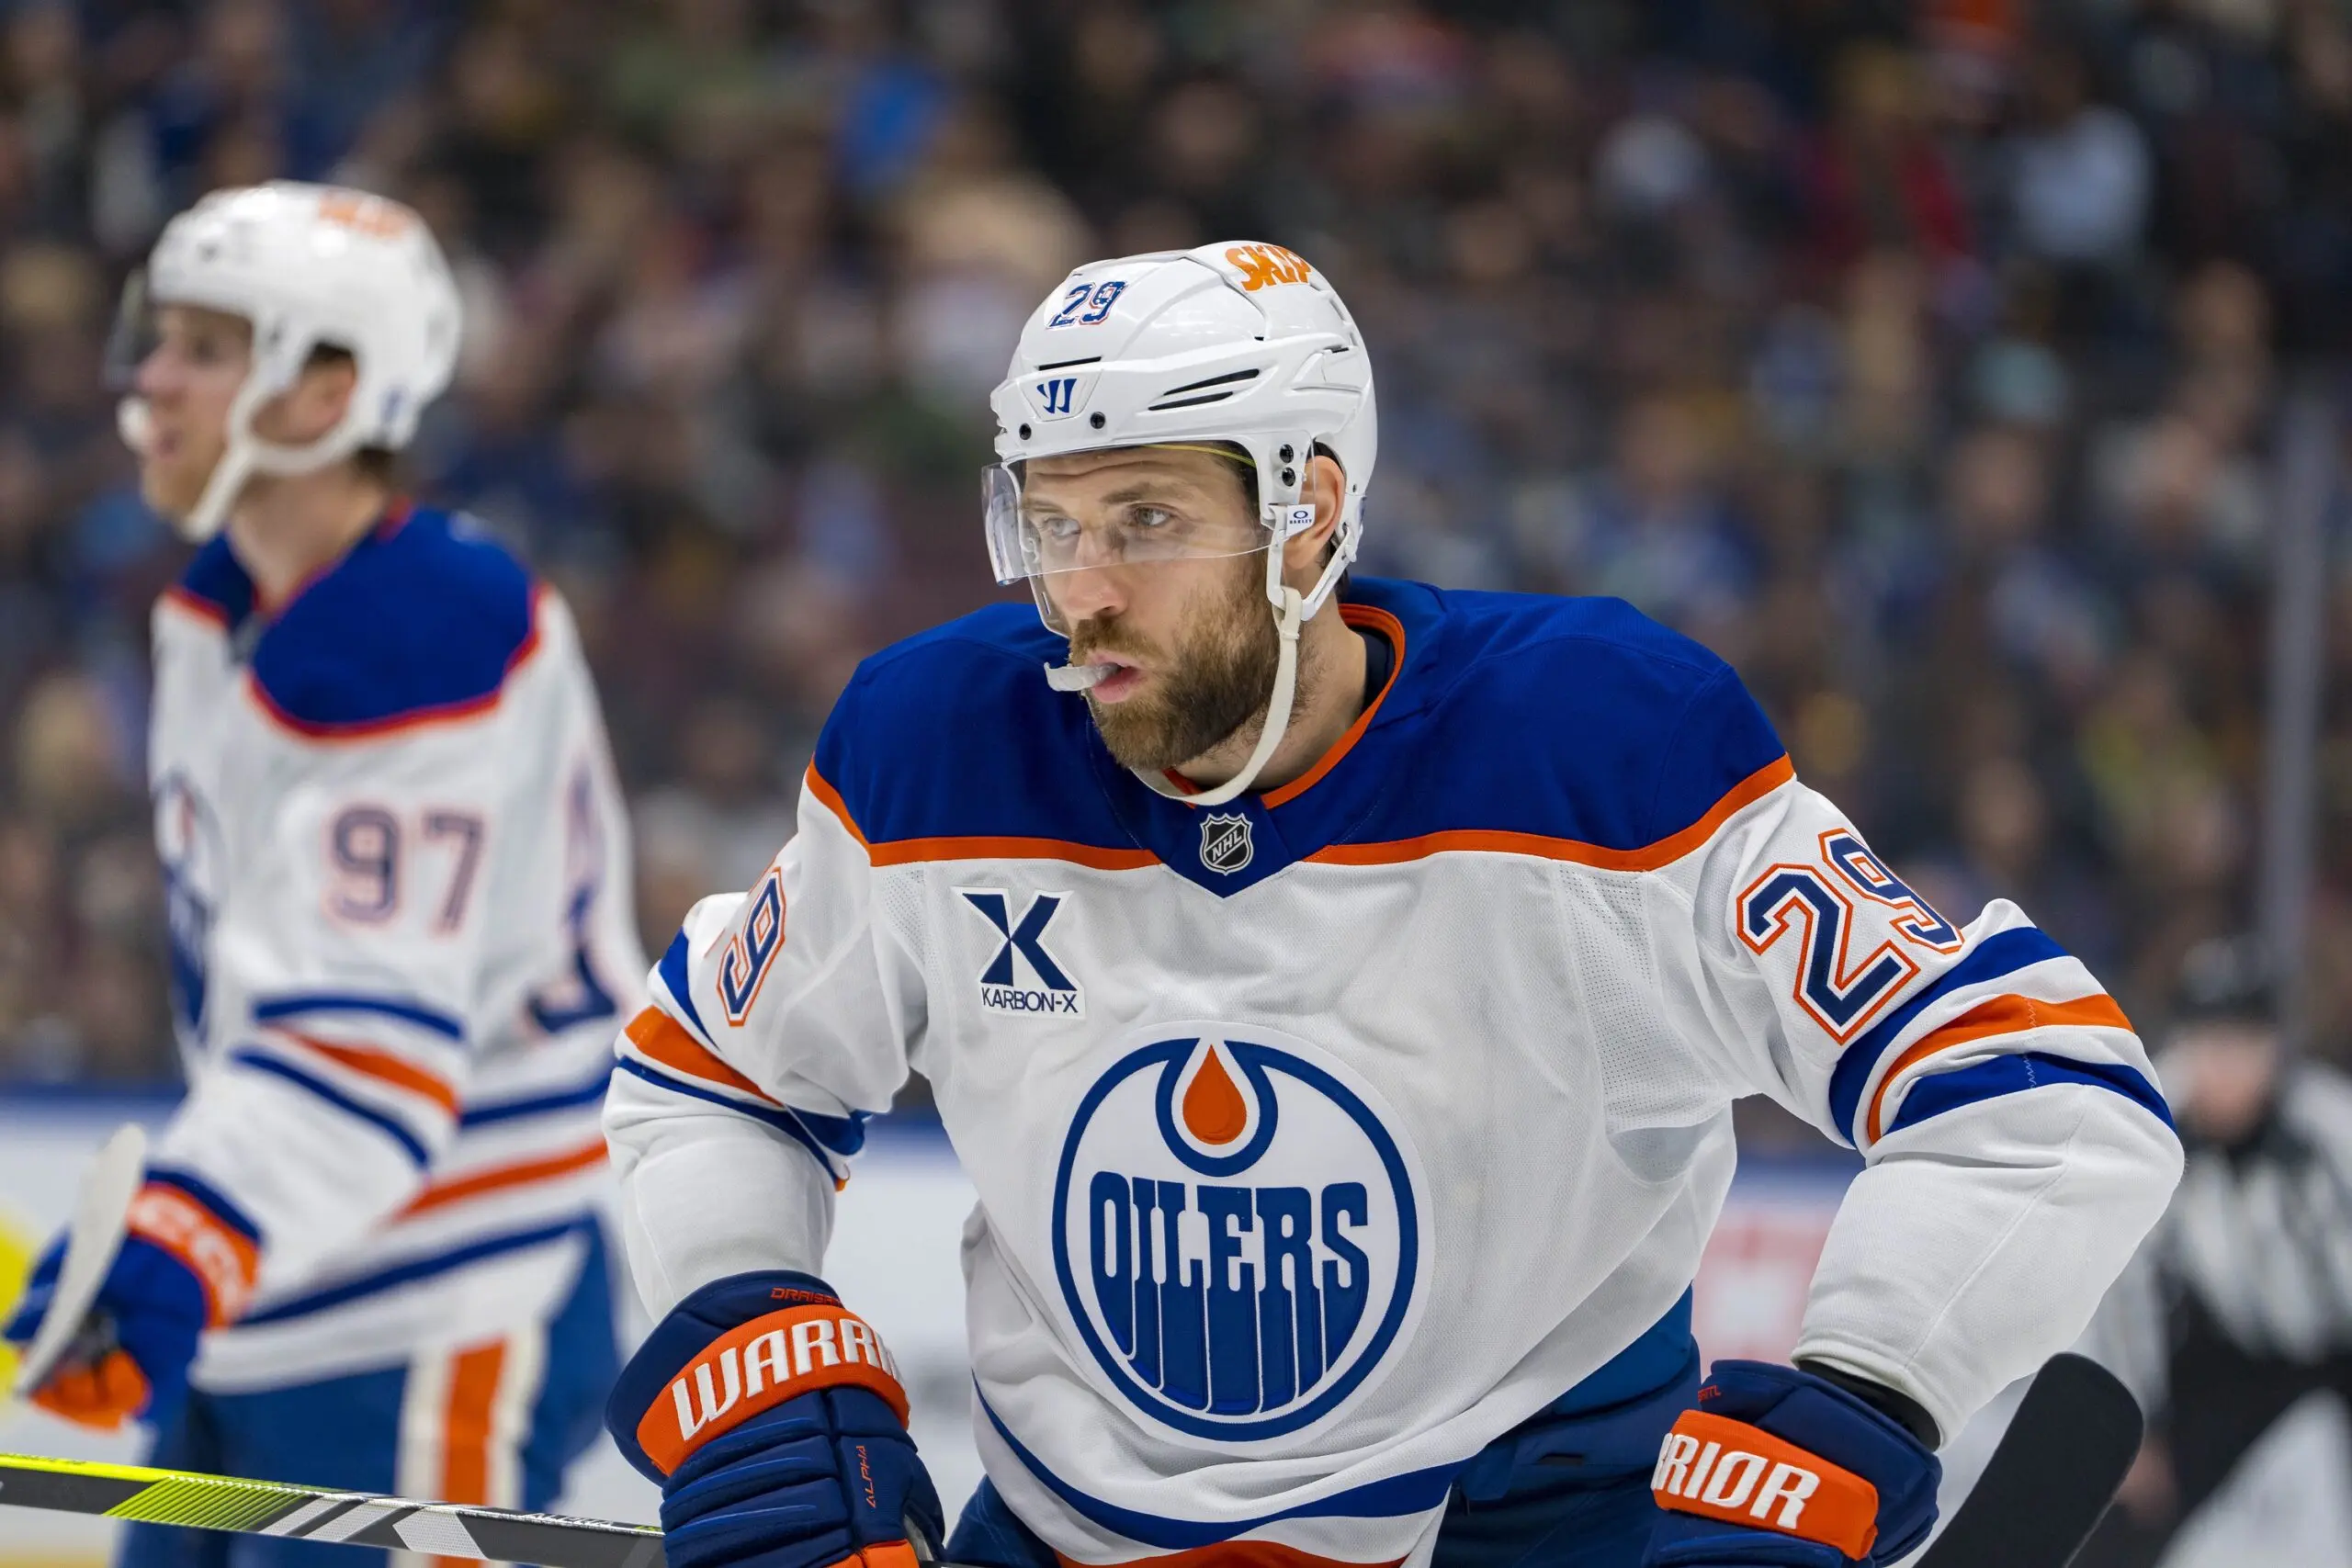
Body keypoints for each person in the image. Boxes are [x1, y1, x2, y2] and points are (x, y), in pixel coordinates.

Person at [599, 242, 2184, 1568]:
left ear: (1308, 510)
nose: (1081, 587)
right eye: (1056, 520)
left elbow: (2047, 1101)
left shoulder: (1601, 753)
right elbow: (715, 1073)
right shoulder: (930, 752)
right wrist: (754, 1359)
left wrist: (1855, 1409)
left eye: (1146, 519)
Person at [3, 183, 644, 1564]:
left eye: (205, 347)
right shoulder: (216, 611)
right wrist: (183, 1212)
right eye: (157, 336)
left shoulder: (430, 637)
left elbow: (370, 1048)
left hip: (438, 1302)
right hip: (276, 1286)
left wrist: (183, 1231)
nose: (152, 379)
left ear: (327, 387)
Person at [2072, 937, 2352, 1567]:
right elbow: (2115, 1284)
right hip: (2216, 1358)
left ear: (2275, 1048)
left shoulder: (2327, 1124)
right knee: (2125, 1514)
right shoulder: (2150, 1125)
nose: (2226, 1067)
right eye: (2211, 1044)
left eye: (2244, 1045)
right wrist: (2131, 1423)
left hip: (2334, 1349)